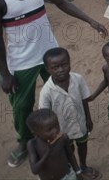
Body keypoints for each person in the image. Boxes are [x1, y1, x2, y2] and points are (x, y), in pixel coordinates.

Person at [0, 0, 106, 167]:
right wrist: (4, 73)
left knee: (62, 96)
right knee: (22, 106)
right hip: (22, 62)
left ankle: (63, 132)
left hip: (50, 54)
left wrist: (90, 20)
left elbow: (61, 2)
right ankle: (24, 141)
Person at [38, 48, 100, 179]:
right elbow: (45, 115)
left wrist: (88, 119)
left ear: (70, 62)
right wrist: (53, 134)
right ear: (47, 69)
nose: (60, 69)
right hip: (61, 130)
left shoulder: (78, 79)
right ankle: (73, 169)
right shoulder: (46, 91)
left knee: (83, 144)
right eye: (55, 67)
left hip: (80, 122)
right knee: (67, 150)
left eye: (64, 64)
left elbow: (84, 99)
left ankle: (83, 165)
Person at [26, 109, 83, 180]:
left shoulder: (63, 138)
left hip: (68, 176)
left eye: (57, 125)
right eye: (49, 129)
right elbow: (35, 170)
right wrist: (48, 151)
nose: (55, 130)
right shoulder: (33, 144)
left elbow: (70, 155)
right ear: (36, 132)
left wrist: (78, 171)